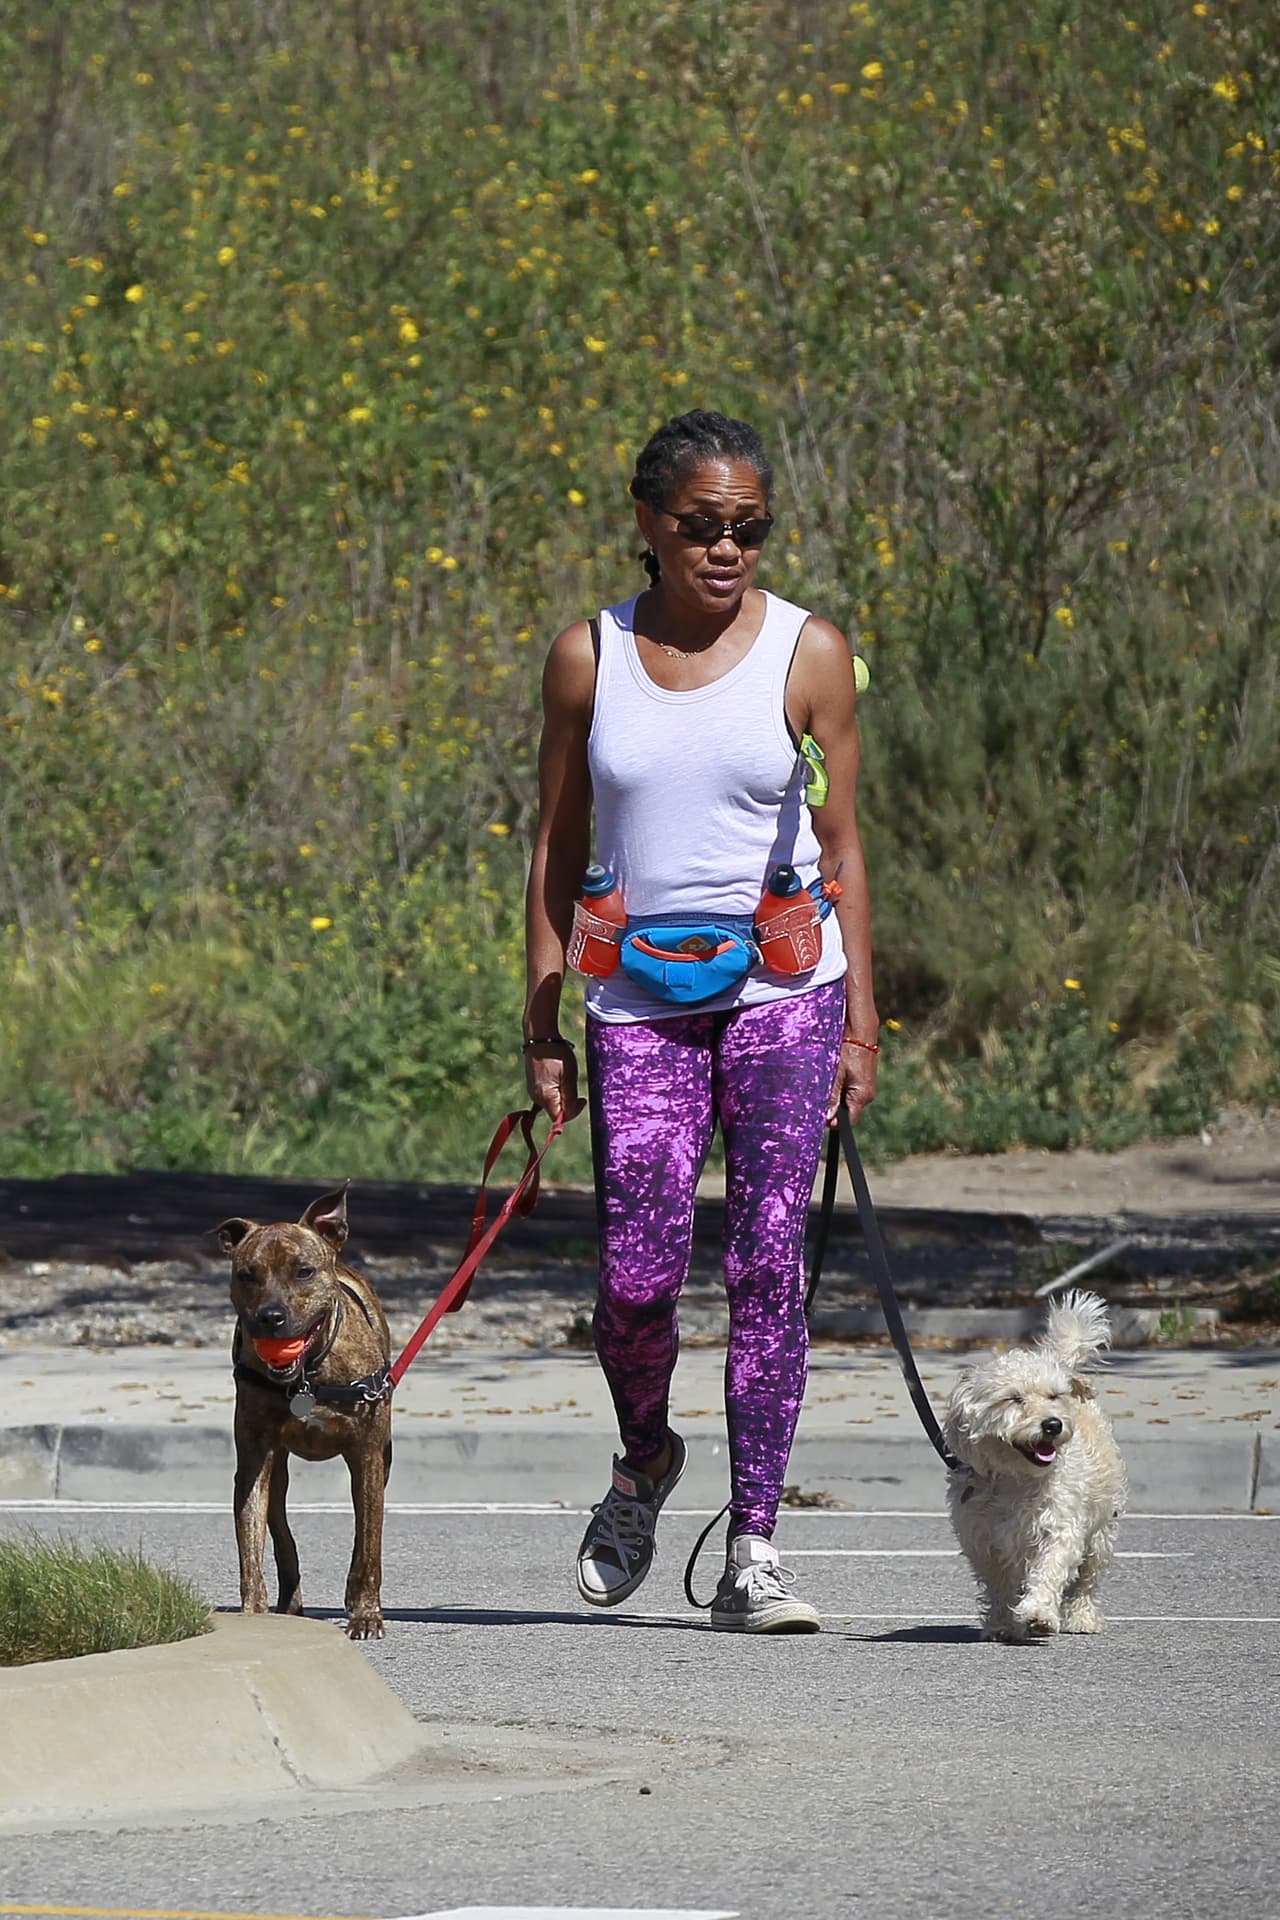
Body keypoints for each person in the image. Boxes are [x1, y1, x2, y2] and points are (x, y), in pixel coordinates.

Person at [523, 408, 878, 1633]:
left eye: (748, 529)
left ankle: (758, 1549)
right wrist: (540, 1021)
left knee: (769, 1266)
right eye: (699, 526)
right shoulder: (589, 655)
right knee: (631, 1278)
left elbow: (841, 849)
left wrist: (860, 1024)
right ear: (647, 523)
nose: (725, 549)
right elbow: (557, 845)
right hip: (637, 1003)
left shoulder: (807, 652)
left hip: (785, 994)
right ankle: (644, 1462)